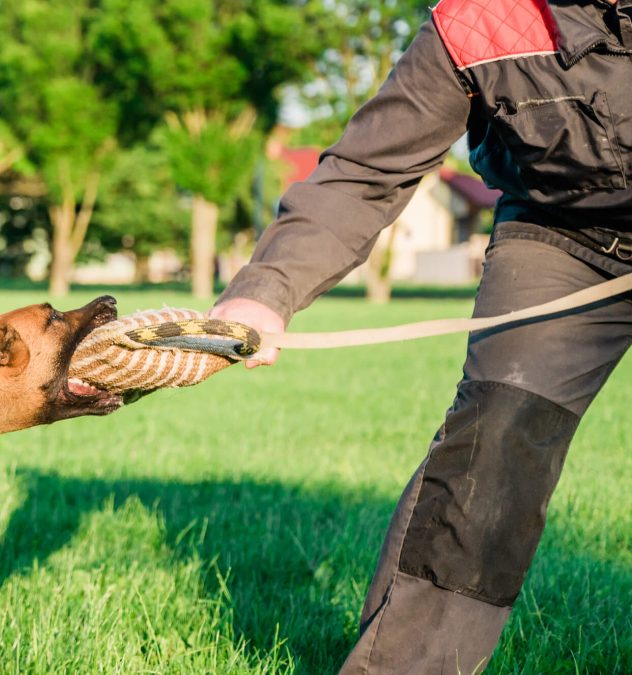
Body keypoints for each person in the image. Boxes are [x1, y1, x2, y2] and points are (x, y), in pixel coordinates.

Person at [210, 0, 631, 672]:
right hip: (563, 235)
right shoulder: (481, 19)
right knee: (496, 436)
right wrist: (265, 293)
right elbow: (363, 174)